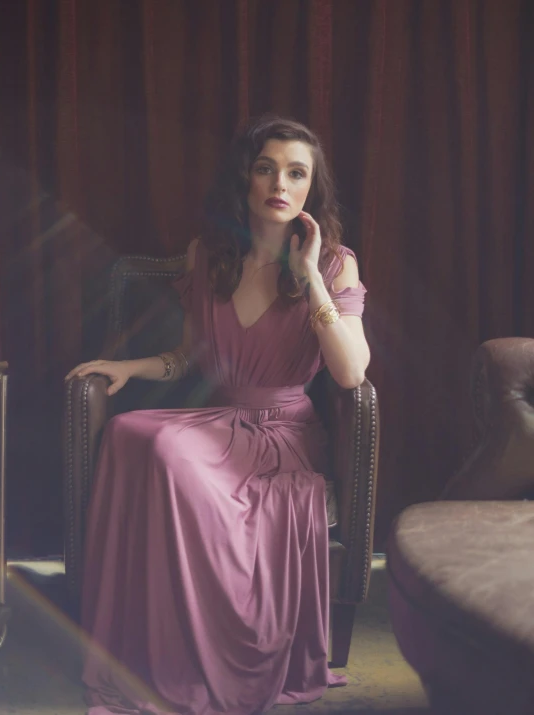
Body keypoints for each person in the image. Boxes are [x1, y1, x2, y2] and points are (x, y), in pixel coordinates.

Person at [65, 115, 370, 715]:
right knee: (129, 432)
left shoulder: (335, 264)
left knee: (168, 452)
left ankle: (198, 657)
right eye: (266, 169)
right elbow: (188, 357)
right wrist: (129, 367)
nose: (280, 183)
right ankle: (155, 644)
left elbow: (351, 374)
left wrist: (309, 278)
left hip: (283, 434)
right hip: (218, 423)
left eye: (296, 173)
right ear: (246, 179)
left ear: (312, 189)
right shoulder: (210, 255)